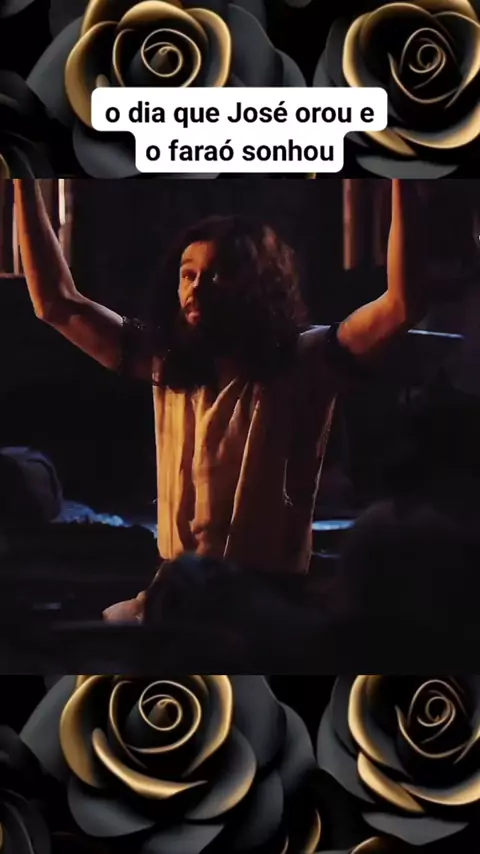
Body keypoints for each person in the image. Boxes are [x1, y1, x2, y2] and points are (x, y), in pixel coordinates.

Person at [14, 179, 434, 621]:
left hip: (262, 599)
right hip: (173, 591)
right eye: (188, 274)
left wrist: (401, 176)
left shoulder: (304, 360)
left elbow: (402, 304)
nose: (196, 289)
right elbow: (56, 304)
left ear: (257, 283)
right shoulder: (168, 363)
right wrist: (24, 176)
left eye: (216, 274)